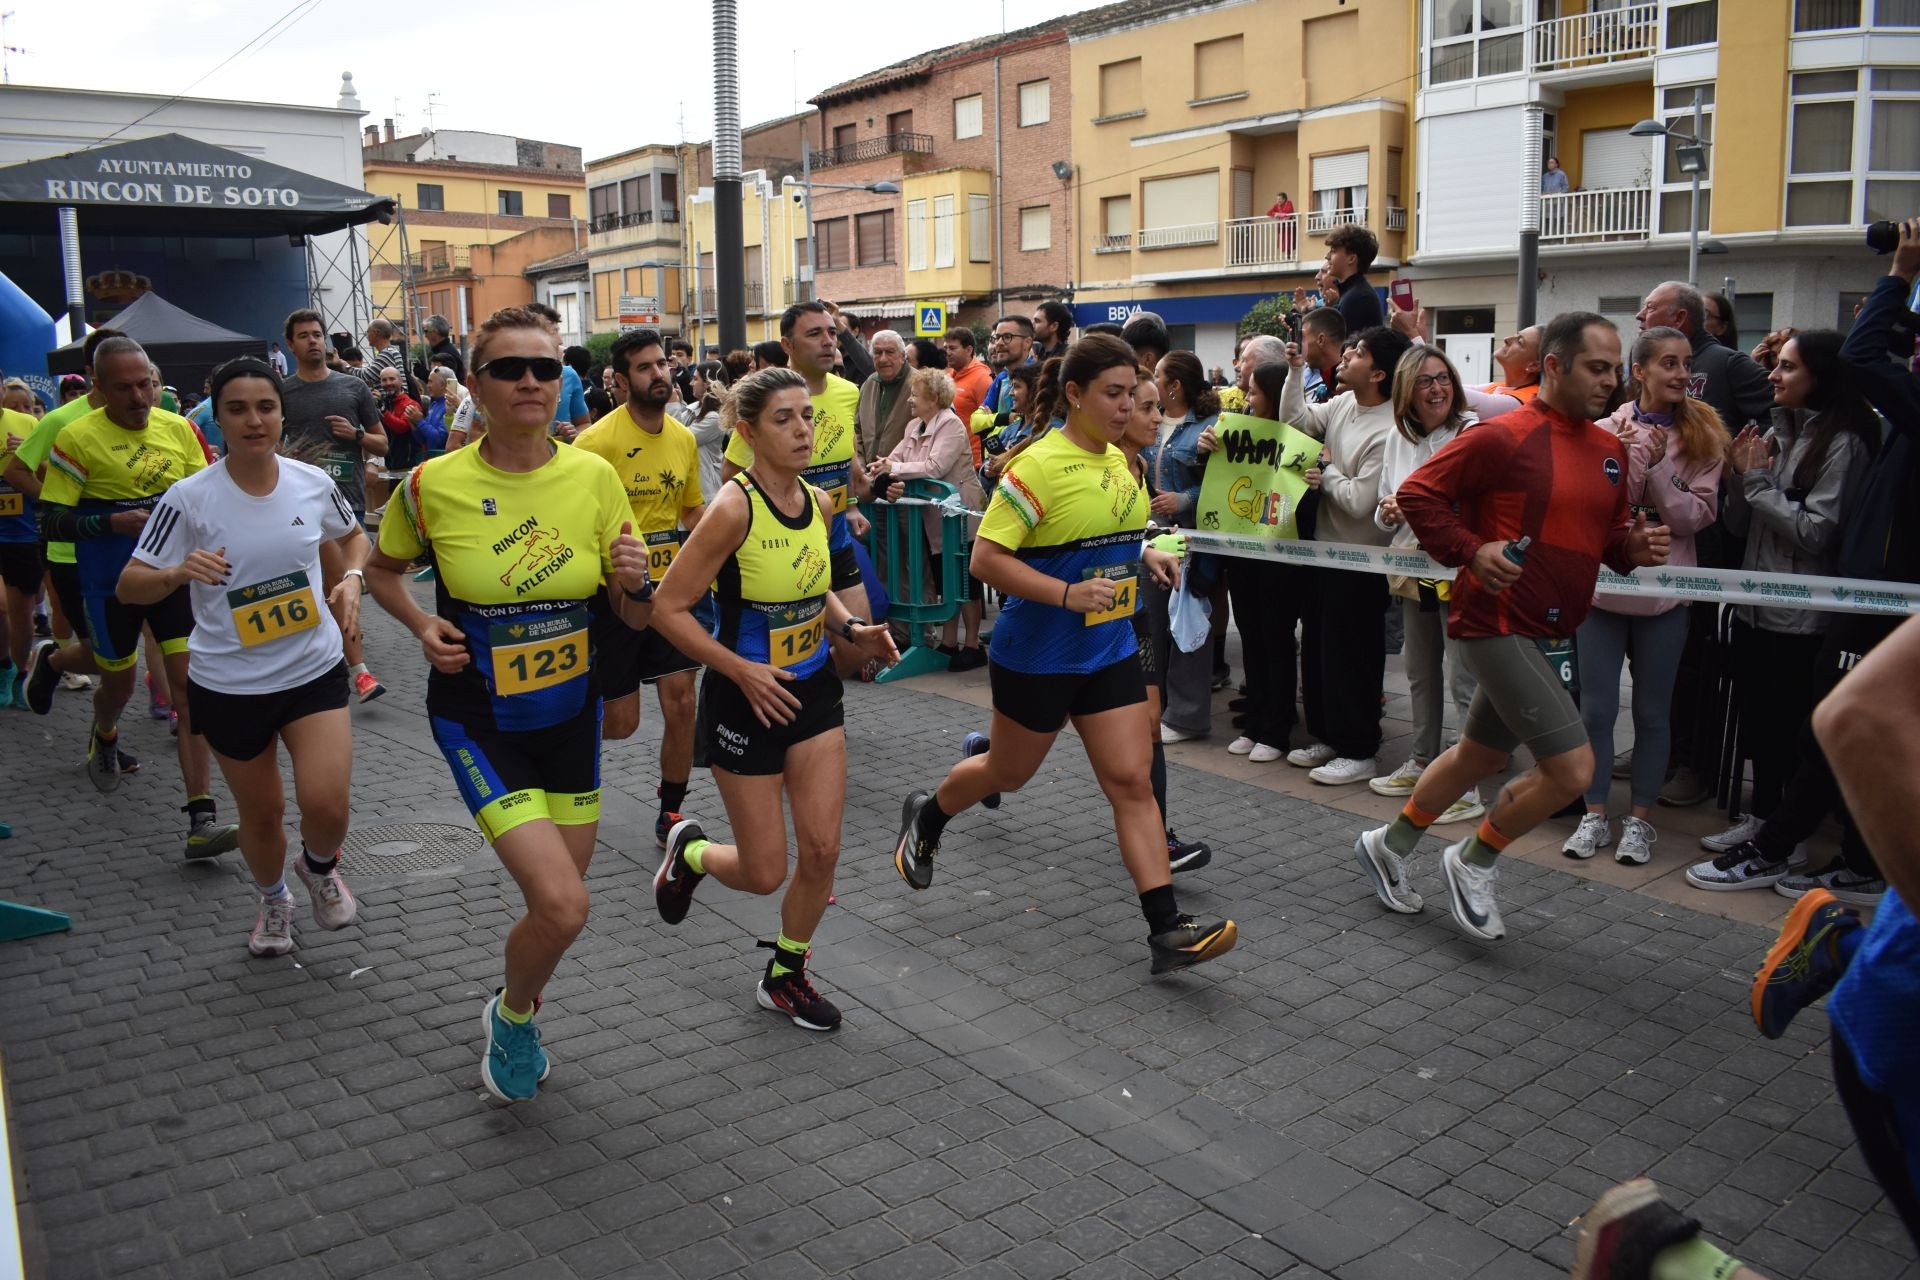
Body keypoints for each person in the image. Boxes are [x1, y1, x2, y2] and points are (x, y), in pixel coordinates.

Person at [364, 305, 654, 1102]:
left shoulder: (594, 477)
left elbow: (632, 614)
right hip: (479, 720)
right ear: (475, 388)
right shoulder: (432, 485)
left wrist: (634, 584)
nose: (531, 380)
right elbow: (382, 571)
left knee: (560, 906)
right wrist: (424, 623)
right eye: (509, 369)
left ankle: (514, 1010)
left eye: (546, 367)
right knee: (563, 905)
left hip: (571, 719)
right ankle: (517, 1020)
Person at [888, 334, 1237, 975]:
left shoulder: (1122, 464)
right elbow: (985, 559)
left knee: (1133, 783)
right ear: (1074, 395)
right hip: (1037, 656)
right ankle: (929, 813)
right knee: (1008, 773)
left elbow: (1110, 538)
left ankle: (1167, 929)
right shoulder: (1038, 466)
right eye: (1113, 393)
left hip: (1107, 647)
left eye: (1133, 393)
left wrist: (1146, 554)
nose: (1127, 406)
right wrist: (1068, 592)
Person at [1354, 312, 1672, 941]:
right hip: (1495, 619)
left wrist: (1631, 546)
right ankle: (1472, 859)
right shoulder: (1504, 435)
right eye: (1597, 368)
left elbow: (1602, 540)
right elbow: (1418, 494)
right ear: (1553, 366)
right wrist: (1472, 550)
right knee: (1572, 770)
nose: (1611, 381)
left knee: (1481, 753)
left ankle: (1387, 845)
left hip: (1551, 628)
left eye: (1616, 369)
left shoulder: (1610, 450)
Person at [647, 367, 899, 1031]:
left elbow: (807, 586)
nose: (801, 430)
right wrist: (742, 671)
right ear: (748, 431)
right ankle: (692, 853)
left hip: (812, 690)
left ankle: (786, 974)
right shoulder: (733, 507)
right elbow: (668, 609)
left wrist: (852, 629)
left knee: (821, 853)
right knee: (764, 872)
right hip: (745, 699)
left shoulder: (817, 503)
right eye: (784, 418)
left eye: (807, 416)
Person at [118, 357, 367, 957]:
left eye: (265, 407)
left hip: (312, 670)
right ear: (216, 416)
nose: (254, 420)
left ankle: (320, 866)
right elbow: (131, 583)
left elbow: (353, 533)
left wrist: (353, 576)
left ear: (281, 412)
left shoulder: (311, 482)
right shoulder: (189, 498)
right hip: (229, 683)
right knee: (263, 815)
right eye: (237, 409)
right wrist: (178, 571)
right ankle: (274, 897)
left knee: (327, 804)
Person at [21, 336, 240, 855]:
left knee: (190, 693)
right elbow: (50, 519)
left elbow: (209, 497)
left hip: (174, 580)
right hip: (108, 582)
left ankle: (201, 818)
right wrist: (111, 520)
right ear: (98, 390)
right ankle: (97, 720)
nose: (140, 398)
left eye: (147, 384)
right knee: (115, 681)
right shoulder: (76, 437)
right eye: (124, 389)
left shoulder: (179, 427)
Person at [1684, 329, 1875, 893]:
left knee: (1795, 729)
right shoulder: (1775, 430)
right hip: (1756, 607)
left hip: (1806, 615)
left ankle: (1784, 842)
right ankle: (1764, 821)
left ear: (1822, 375)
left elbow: (1816, 533)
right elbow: (1745, 526)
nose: (1774, 376)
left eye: (1788, 368)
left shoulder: (1845, 443)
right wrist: (1740, 482)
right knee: (1760, 724)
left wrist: (1760, 482)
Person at [1563, 328, 1726, 864]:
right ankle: (1593, 816)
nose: (1681, 374)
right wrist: (1626, 460)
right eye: (1669, 364)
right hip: (1603, 594)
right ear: (1639, 371)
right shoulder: (1605, 428)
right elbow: (1593, 509)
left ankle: (1640, 821)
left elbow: (1693, 518)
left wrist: (1657, 470)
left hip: (1665, 599)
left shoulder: (1705, 434)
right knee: (1596, 712)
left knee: (1655, 715)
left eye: (1686, 364)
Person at [571, 328, 707, 849]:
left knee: (681, 701)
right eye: (646, 368)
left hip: (671, 592)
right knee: (622, 723)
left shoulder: (683, 437)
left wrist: (711, 529)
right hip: (615, 596)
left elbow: (689, 508)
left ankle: (670, 811)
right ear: (622, 381)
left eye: (663, 364)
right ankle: (560, 754)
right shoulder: (595, 444)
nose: (660, 374)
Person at [1280, 325, 1412, 785]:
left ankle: (1360, 749)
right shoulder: (1342, 402)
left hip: (1362, 563)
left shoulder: (1393, 426)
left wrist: (1326, 468)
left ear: (1378, 373)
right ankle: (1329, 736)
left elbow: (1360, 502)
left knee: (1353, 656)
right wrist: (1296, 371)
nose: (1346, 357)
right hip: (1322, 553)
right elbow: (1296, 423)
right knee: (1318, 652)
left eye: (1356, 353)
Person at [722, 302, 871, 676]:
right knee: (785, 657)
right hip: (783, 550)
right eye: (814, 334)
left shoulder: (847, 392)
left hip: (834, 539)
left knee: (860, 648)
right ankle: (809, 711)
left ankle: (814, 696)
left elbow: (846, 455)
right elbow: (731, 472)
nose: (828, 342)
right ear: (787, 345)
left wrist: (851, 503)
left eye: (832, 333)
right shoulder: (769, 399)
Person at [1369, 346, 1485, 822]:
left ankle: (1467, 784)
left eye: (1443, 378)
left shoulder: (1471, 432)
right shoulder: (1399, 437)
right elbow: (1382, 510)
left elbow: (1475, 504)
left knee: (1464, 678)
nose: (1437, 389)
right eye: (1425, 381)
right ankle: (1422, 760)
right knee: (1420, 670)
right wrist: (1389, 510)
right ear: (1406, 392)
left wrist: (1414, 507)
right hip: (1413, 570)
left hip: (1460, 572)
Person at [280, 309, 388, 704]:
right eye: (304, 335)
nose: (313, 341)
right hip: (297, 504)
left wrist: (356, 434)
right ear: (290, 344)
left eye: (317, 334)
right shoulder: (282, 392)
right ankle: (347, 663)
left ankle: (349, 662)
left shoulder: (352, 388)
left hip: (348, 500)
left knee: (339, 581)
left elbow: (382, 444)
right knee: (326, 583)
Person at [870, 367, 985, 668]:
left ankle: (972, 645)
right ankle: (949, 643)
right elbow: (897, 457)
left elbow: (934, 466)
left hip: (959, 515)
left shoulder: (952, 424)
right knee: (946, 581)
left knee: (966, 582)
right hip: (934, 518)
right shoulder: (914, 426)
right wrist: (883, 465)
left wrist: (892, 470)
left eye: (915, 395)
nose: (910, 400)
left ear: (933, 398)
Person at [1145, 351, 1222, 745]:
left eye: (1157, 375)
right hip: (1152, 536)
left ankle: (1188, 717)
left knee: (1189, 624)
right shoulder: (1151, 422)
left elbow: (1221, 485)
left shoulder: (1210, 427)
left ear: (1174, 385)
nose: (1152, 381)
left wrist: (1184, 499)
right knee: (1156, 623)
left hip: (1192, 539)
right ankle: (1156, 706)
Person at [0, 394, 39, 706]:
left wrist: (27, 458)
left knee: (22, 610)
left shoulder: (27, 424)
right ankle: (5, 667)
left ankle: (20, 670)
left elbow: (50, 476)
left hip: (20, 532)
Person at [525, 303, 590, 439]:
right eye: (552, 332)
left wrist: (574, 433)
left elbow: (585, 424)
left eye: (558, 331)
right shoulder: (509, 379)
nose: (560, 340)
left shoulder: (569, 375)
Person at [675, 359, 731, 502]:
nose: (690, 383)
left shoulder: (714, 418)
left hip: (707, 491)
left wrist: (673, 405)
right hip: (694, 485)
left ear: (707, 384)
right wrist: (680, 403)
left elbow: (679, 438)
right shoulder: (693, 408)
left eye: (695, 379)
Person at [855, 330, 913, 464]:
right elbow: (857, 430)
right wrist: (860, 465)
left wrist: (900, 470)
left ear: (903, 356)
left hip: (904, 477)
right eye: (878, 352)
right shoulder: (870, 383)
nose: (883, 359)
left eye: (890, 352)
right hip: (868, 474)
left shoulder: (919, 384)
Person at [942, 329, 993, 464]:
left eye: (952, 348)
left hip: (974, 462)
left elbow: (989, 421)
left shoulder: (982, 378)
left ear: (969, 350)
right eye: (945, 348)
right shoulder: (950, 374)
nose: (947, 352)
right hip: (952, 458)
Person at [1325, 224, 1383, 333]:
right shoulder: (1351, 294)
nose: (1327, 257)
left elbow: (1343, 347)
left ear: (1351, 259)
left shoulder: (1359, 298)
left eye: (1333, 251)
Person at [1482, 326, 1543, 407]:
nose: (1506, 339)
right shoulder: (1503, 386)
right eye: (1515, 335)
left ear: (1534, 366)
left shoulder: (1525, 400)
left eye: (1520, 342)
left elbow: (1463, 395)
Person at [420, 313, 465, 384]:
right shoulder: (445, 349)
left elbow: (442, 383)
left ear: (435, 331)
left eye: (426, 331)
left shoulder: (446, 354)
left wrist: (422, 374)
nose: (425, 335)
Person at [1032, 300, 1074, 365]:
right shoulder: (1038, 353)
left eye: (1037, 321)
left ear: (1054, 326)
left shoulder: (1067, 358)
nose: (1032, 324)